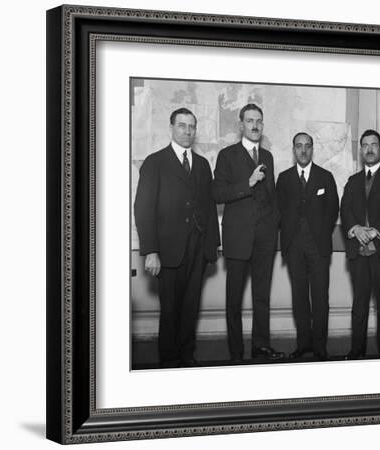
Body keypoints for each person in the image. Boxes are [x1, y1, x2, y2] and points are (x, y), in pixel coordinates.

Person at [134, 107, 220, 368]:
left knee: (190, 306)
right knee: (170, 309)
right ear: (171, 128)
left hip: (197, 248)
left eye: (191, 126)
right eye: (182, 126)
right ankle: (169, 361)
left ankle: (186, 356)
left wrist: (212, 244)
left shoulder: (203, 165)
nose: (187, 131)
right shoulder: (155, 162)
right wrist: (151, 250)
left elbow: (209, 205)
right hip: (167, 250)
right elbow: (143, 207)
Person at [212, 103, 284, 362]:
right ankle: (236, 353)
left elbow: (271, 195)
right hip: (238, 237)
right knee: (234, 299)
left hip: (265, 237)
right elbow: (217, 193)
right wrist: (248, 183)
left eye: (259, 121)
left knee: (261, 296)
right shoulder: (227, 155)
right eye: (250, 121)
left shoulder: (268, 157)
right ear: (241, 125)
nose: (255, 125)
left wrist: (275, 222)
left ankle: (261, 346)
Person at [276, 132, 339, 361]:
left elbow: (333, 209)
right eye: (299, 146)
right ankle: (303, 344)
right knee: (299, 297)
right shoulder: (283, 178)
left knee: (321, 297)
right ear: (293, 149)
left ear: (313, 149)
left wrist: (320, 232)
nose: (303, 150)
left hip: (318, 248)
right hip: (293, 247)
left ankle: (320, 346)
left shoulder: (326, 177)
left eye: (307, 146)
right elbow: (279, 210)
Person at [340, 129, 380, 359]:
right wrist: (356, 229)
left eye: (373, 144)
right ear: (361, 150)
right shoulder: (352, 181)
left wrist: (377, 230)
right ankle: (357, 352)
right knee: (359, 306)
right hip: (358, 252)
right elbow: (345, 209)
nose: (369, 149)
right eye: (365, 145)